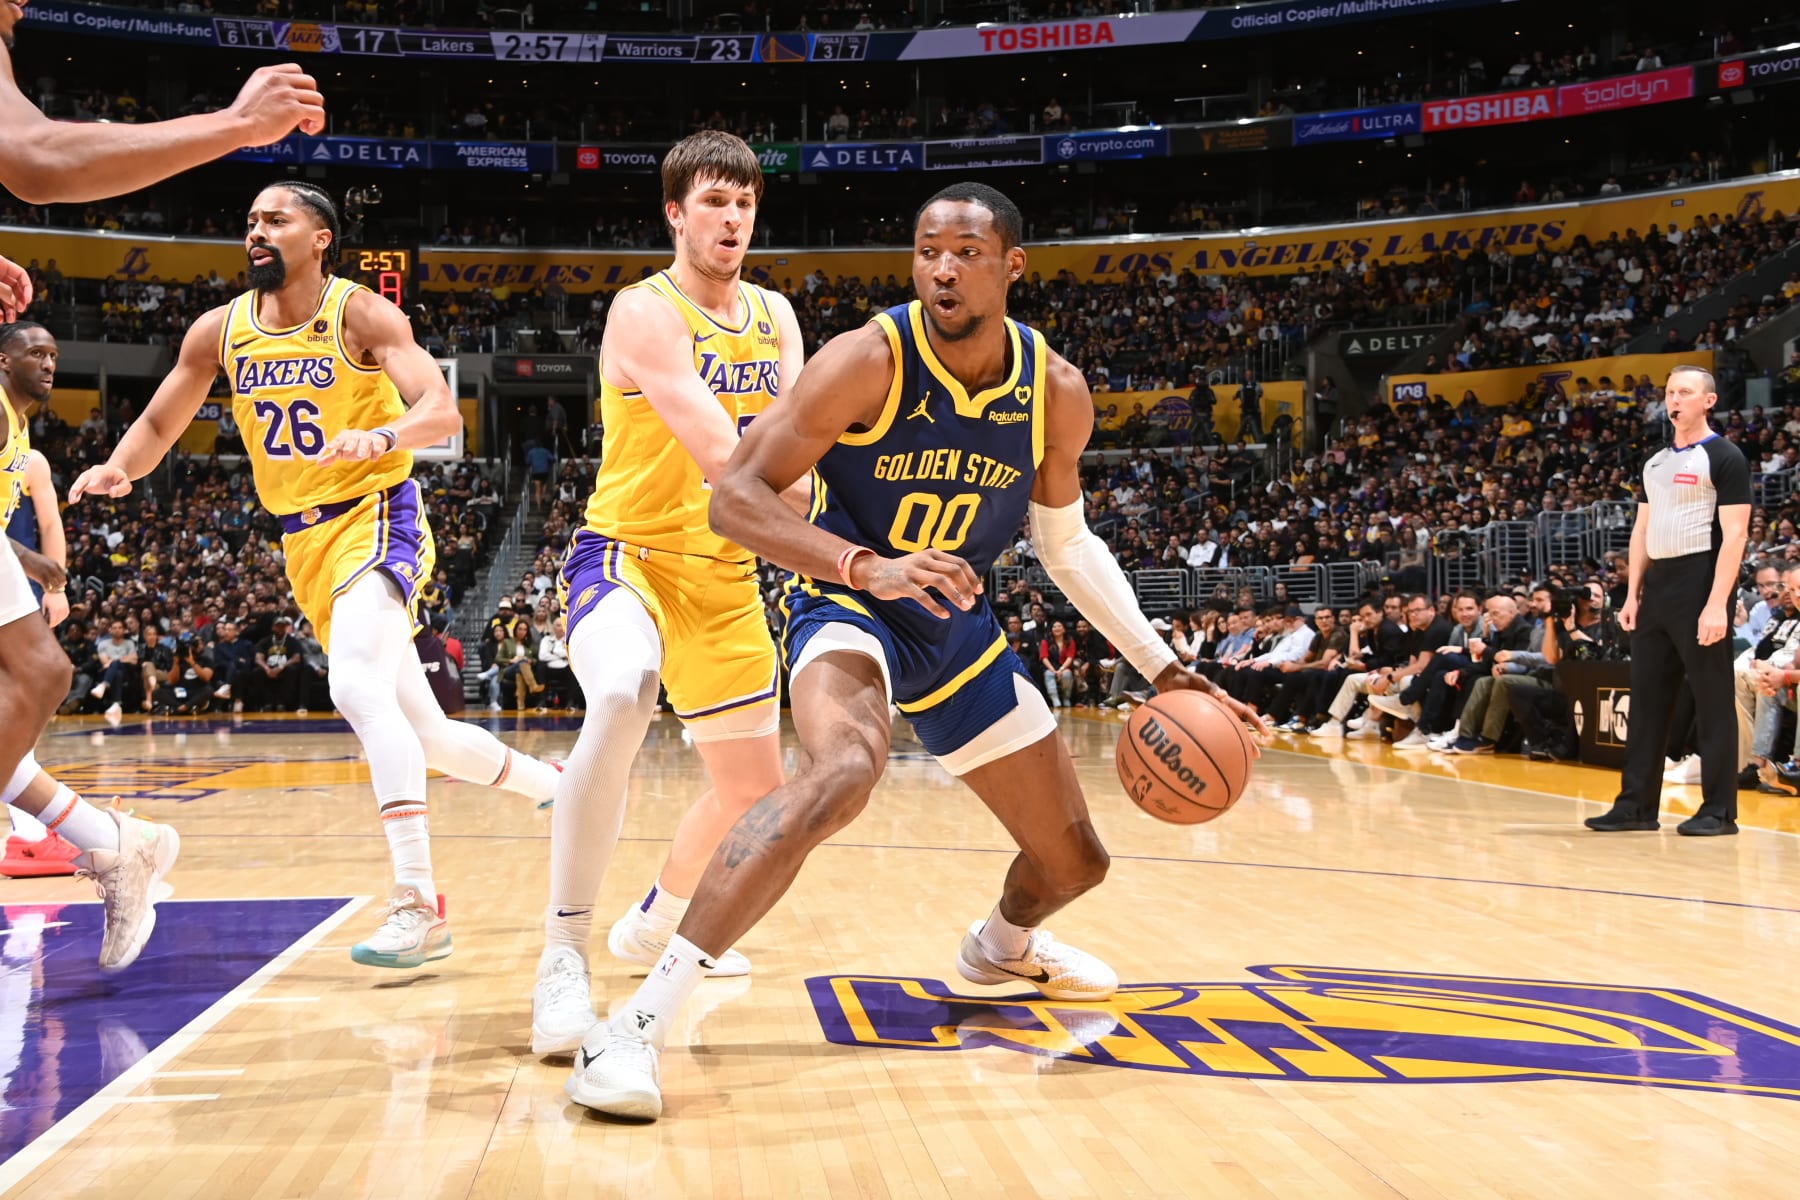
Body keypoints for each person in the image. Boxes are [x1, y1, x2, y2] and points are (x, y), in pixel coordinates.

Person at [563, 181, 1266, 1119]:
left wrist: (1165, 668)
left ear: (1011, 265)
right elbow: (735, 495)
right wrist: (866, 567)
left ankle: (999, 953)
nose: (942, 267)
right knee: (844, 769)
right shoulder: (868, 359)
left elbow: (1066, 544)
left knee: (1074, 865)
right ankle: (637, 1026)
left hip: (958, 631)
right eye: (928, 250)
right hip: (846, 605)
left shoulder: (1052, 390)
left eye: (966, 253)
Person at [69, 182, 562, 968]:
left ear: (321, 237)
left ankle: (415, 903)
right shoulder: (219, 330)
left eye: (275, 219)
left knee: (354, 687)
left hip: (377, 513)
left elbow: (442, 411)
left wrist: (385, 434)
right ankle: (560, 790)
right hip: (303, 542)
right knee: (426, 734)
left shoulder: (361, 313)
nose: (256, 231)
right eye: (251, 221)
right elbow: (166, 416)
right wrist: (121, 469)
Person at [528, 131, 807, 1056]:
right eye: (714, 202)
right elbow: (735, 463)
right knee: (621, 689)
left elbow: (801, 447)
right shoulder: (643, 313)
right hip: (629, 557)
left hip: (725, 578)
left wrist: (810, 492)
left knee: (753, 791)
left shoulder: (774, 314)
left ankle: (654, 922)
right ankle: (562, 954)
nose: (732, 219)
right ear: (675, 214)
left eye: (744, 203)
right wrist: (818, 514)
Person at [1586, 366, 1751, 836]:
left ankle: (1719, 811)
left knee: (1712, 700)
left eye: (1684, 392)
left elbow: (1735, 536)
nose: (1674, 400)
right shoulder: (1655, 462)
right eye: (1669, 393)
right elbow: (1641, 530)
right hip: (1658, 584)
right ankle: (1636, 806)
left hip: (1701, 580)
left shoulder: (1725, 456)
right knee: (1648, 700)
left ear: (1708, 401)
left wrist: (1718, 603)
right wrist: (1633, 593)